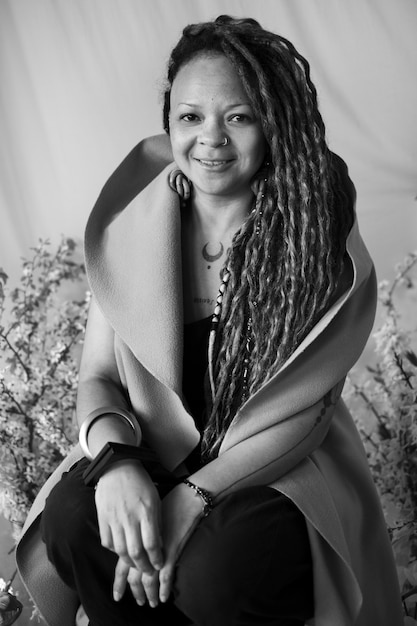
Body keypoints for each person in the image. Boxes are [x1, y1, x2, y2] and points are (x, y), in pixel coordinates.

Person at [16, 15, 403, 626]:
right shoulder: (134, 222)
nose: (211, 138)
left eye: (239, 116)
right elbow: (98, 379)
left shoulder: (312, 236)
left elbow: (307, 411)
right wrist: (118, 465)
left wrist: (190, 499)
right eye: (191, 117)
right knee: (73, 515)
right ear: (169, 122)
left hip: (273, 464)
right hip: (152, 450)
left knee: (217, 567)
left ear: (271, 124)